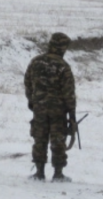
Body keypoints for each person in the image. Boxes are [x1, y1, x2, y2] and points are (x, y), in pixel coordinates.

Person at [24, 32, 78, 182]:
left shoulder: (35, 62)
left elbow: (28, 83)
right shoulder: (63, 66)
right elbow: (69, 92)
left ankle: (39, 172)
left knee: (39, 139)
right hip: (58, 111)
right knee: (58, 140)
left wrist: (32, 101)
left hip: (39, 108)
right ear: (62, 47)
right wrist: (72, 112)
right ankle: (58, 174)